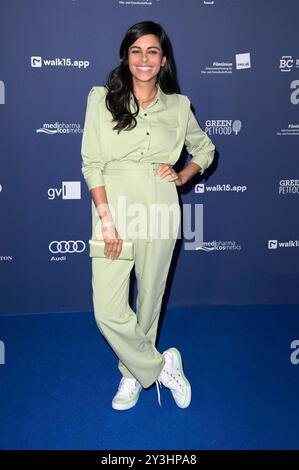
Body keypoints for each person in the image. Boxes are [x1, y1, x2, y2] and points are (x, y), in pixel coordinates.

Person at [81, 20, 215, 411]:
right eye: (136, 50)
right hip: (115, 209)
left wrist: (183, 173)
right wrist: (106, 220)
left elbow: (204, 149)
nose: (144, 58)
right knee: (107, 310)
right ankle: (159, 366)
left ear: (163, 59)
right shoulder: (101, 99)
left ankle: (130, 375)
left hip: (160, 205)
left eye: (152, 51)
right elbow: (92, 164)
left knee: (149, 303)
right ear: (126, 56)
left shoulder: (178, 106)